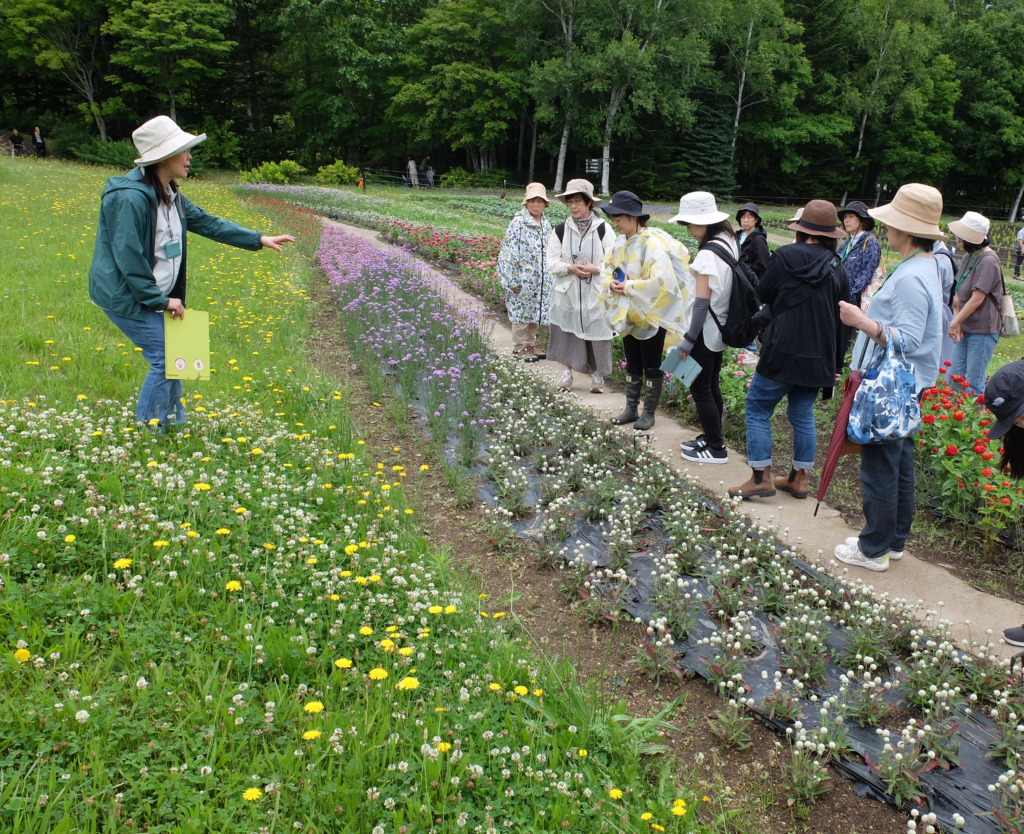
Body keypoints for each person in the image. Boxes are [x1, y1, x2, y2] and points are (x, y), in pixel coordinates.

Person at [89, 116, 294, 428]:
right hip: (126, 296)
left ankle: (173, 423)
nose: (189, 156)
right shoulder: (130, 198)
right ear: (165, 156)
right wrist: (159, 300)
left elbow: (208, 223)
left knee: (179, 355)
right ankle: (147, 431)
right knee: (166, 358)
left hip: (154, 294)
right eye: (184, 150)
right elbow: (128, 258)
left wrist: (258, 238)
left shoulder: (170, 193)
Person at [834, 183, 945, 572]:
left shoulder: (913, 276)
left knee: (880, 465)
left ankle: (873, 549)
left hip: (891, 386)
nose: (886, 229)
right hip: (907, 385)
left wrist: (861, 321)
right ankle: (892, 541)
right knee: (898, 463)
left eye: (892, 223)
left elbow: (910, 339)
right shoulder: (926, 265)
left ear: (905, 230)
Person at [727, 200, 849, 498]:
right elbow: (844, 321)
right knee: (802, 412)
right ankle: (798, 479)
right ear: (831, 234)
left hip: (781, 350)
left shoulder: (785, 256)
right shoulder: (838, 267)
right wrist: (836, 364)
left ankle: (760, 478)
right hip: (819, 356)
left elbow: (763, 293)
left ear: (802, 230)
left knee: (757, 408)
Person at [596, 191, 689, 431]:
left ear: (634, 217)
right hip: (628, 313)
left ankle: (649, 413)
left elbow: (662, 280)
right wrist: (610, 283)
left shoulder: (651, 242)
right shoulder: (619, 242)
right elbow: (605, 268)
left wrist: (628, 286)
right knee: (632, 362)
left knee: (651, 363)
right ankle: (631, 408)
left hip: (650, 315)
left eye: (618, 218)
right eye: (612, 218)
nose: (615, 222)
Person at [672, 192, 738, 463]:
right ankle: (712, 436)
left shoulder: (707, 255)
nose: (687, 230)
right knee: (711, 384)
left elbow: (701, 303)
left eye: (689, 224)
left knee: (700, 389)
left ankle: (715, 447)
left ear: (705, 222)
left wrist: (688, 339)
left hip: (703, 329)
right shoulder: (729, 241)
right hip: (719, 327)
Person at [546, 179, 614, 392]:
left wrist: (597, 269)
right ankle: (567, 375)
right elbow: (551, 263)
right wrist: (570, 268)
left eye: (578, 201)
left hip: (596, 293)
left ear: (589, 203)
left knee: (598, 333)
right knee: (567, 332)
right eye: (570, 202)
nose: (574, 206)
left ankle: (598, 376)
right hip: (568, 292)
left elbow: (615, 261)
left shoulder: (603, 229)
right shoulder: (560, 230)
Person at [947, 211, 1003, 398]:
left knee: (973, 384)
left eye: (961, 236)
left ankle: (974, 423)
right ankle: (951, 421)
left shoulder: (989, 261)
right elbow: (958, 296)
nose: (958, 239)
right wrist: (958, 321)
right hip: (964, 325)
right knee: (953, 377)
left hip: (982, 330)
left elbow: (976, 300)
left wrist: (954, 323)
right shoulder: (967, 257)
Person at [496, 182, 553, 362]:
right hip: (522, 279)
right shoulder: (518, 223)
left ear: (545, 204)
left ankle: (531, 345)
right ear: (526, 203)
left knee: (535, 313)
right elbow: (508, 253)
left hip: (540, 280)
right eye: (532, 201)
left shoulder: (546, 224)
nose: (535, 205)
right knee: (521, 314)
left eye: (539, 201)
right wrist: (511, 280)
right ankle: (518, 348)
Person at [836, 201, 881, 310]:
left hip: (856, 305)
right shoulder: (846, 244)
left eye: (851, 216)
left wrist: (848, 298)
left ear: (862, 221)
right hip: (841, 300)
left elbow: (865, 274)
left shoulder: (870, 242)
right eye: (845, 217)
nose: (846, 220)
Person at [735, 202, 770, 281]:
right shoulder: (737, 236)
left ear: (756, 219)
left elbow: (762, 264)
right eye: (743, 217)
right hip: (737, 277)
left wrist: (743, 269)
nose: (745, 220)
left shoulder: (758, 239)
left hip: (750, 281)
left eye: (749, 217)